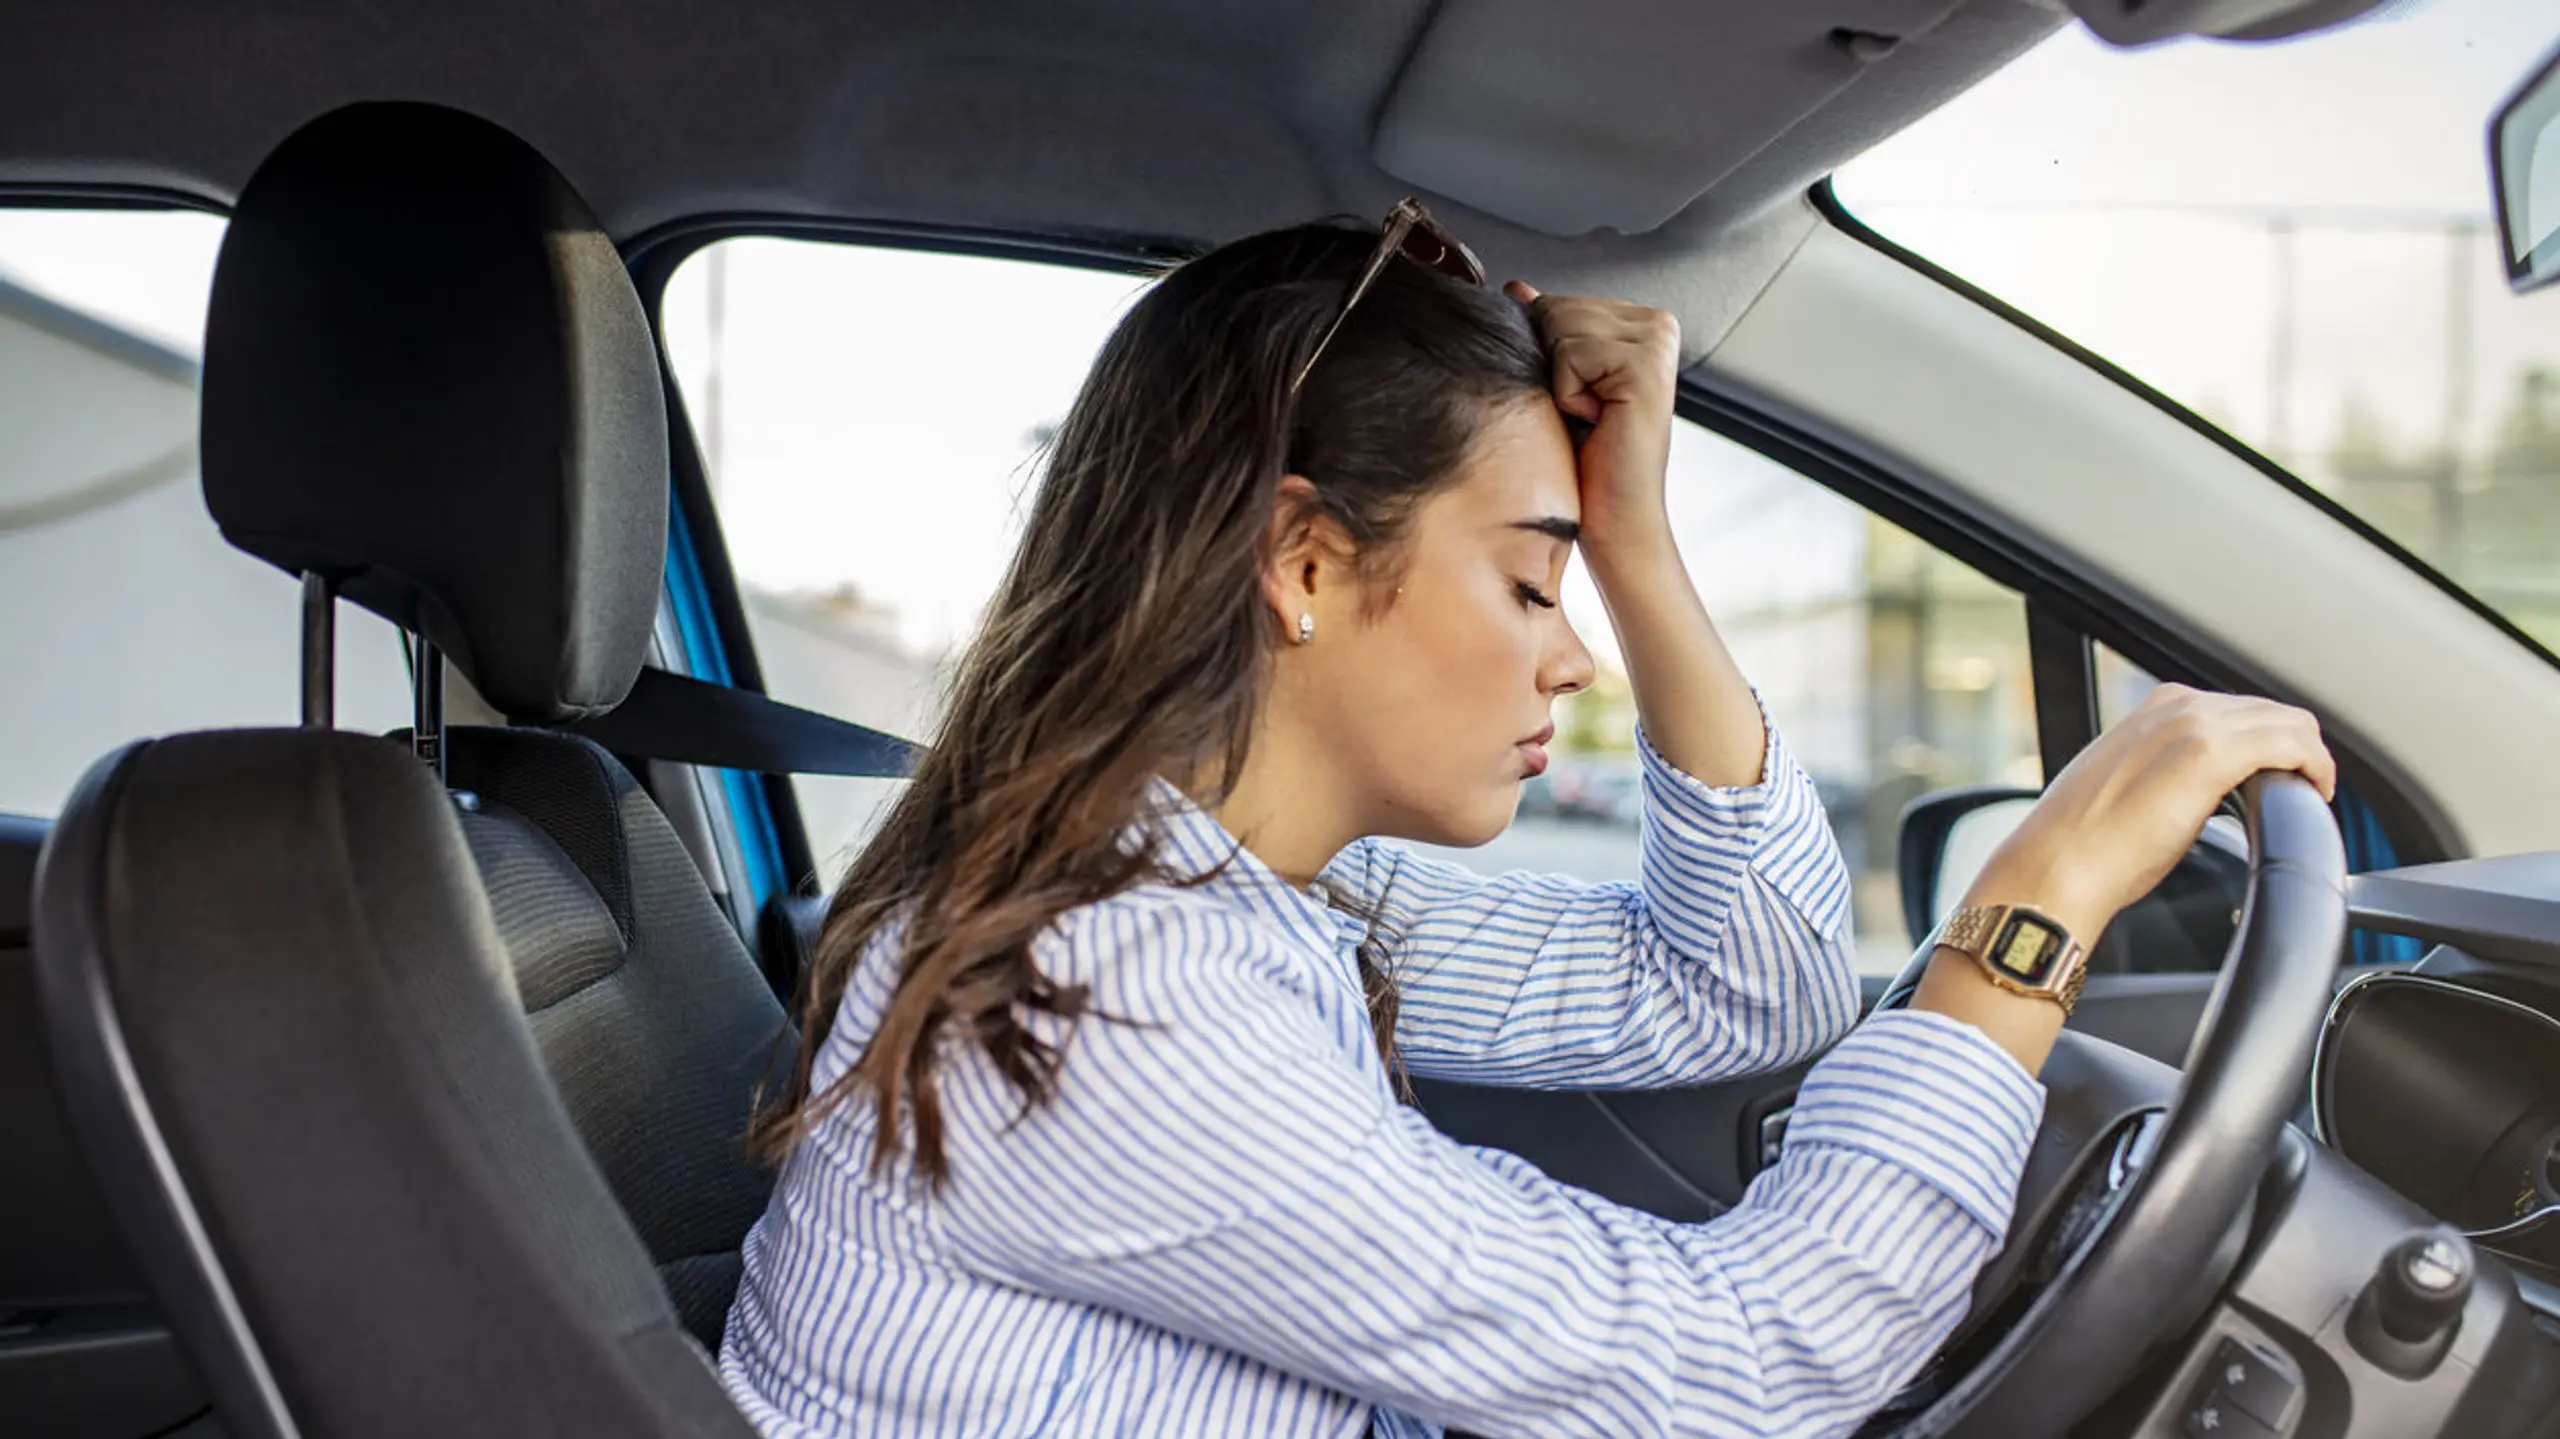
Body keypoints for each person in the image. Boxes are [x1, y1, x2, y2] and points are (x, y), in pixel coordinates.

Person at [717, 201, 2334, 1439]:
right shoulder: (1110, 994)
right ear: (1303, 563)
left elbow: (1745, 985)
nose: (1573, 651)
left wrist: (1631, 531)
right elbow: (1743, 1368)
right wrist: (2032, 903)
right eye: (1526, 579)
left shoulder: (1239, 891)